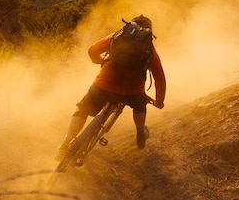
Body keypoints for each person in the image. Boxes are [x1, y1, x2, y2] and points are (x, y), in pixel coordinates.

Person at [56, 14, 166, 160]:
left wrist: (100, 61)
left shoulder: (117, 37)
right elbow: (160, 79)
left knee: (83, 109)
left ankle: (65, 144)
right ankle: (140, 131)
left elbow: (92, 50)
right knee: (140, 104)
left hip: (104, 84)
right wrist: (159, 102)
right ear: (148, 33)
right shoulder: (149, 50)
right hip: (132, 91)